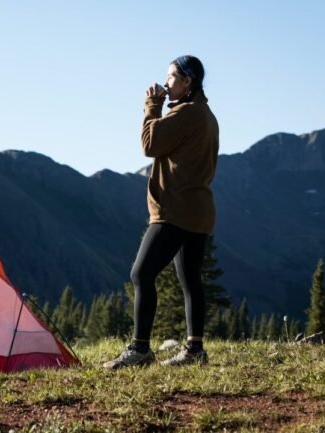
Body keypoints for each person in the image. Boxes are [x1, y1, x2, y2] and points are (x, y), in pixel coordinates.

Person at [103, 55, 219, 369]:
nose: (166, 83)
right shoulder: (206, 115)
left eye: (171, 77)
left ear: (188, 81)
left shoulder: (187, 113)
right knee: (190, 279)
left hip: (175, 209)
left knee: (141, 273)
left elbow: (149, 144)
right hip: (199, 210)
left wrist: (151, 106)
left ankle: (140, 350)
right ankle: (195, 349)